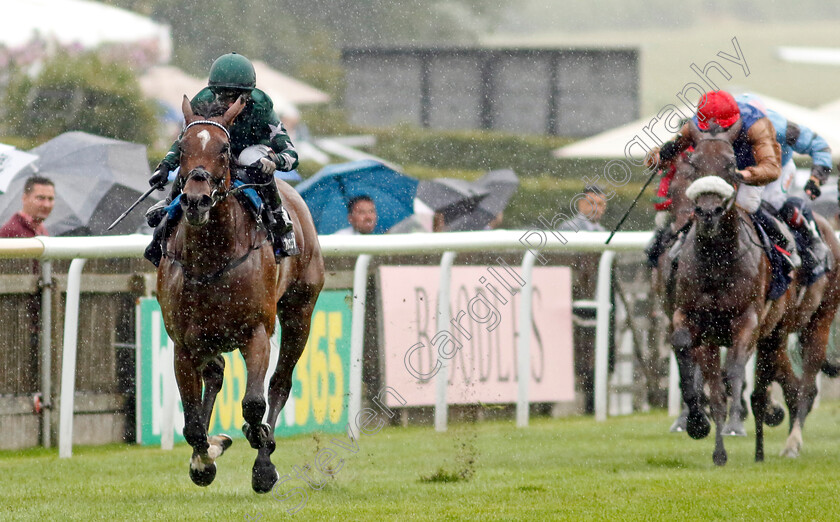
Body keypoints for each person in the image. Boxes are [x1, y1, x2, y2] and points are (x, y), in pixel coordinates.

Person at [144, 52, 299, 266]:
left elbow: (291, 154)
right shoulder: (201, 103)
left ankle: (277, 217)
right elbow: (185, 141)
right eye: (223, 95)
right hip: (214, 156)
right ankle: (166, 217)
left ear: (248, 95)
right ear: (213, 91)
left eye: (235, 96)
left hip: (249, 158)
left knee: (250, 157)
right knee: (195, 161)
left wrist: (274, 161)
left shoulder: (262, 108)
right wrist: (164, 166)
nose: (228, 102)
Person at [644, 90, 787, 272]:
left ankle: (780, 251)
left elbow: (772, 168)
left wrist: (742, 175)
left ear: (736, 121)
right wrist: (659, 156)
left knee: (747, 205)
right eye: (708, 130)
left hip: (747, 170)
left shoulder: (757, 124)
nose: (718, 133)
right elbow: (654, 163)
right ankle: (677, 252)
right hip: (711, 174)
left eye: (726, 129)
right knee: (697, 207)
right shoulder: (693, 125)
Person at [736, 93, 832, 284]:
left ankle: (802, 242)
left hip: (778, 171)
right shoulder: (723, 124)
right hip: (741, 172)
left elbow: (819, 146)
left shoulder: (780, 126)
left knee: (765, 208)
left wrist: (817, 177)